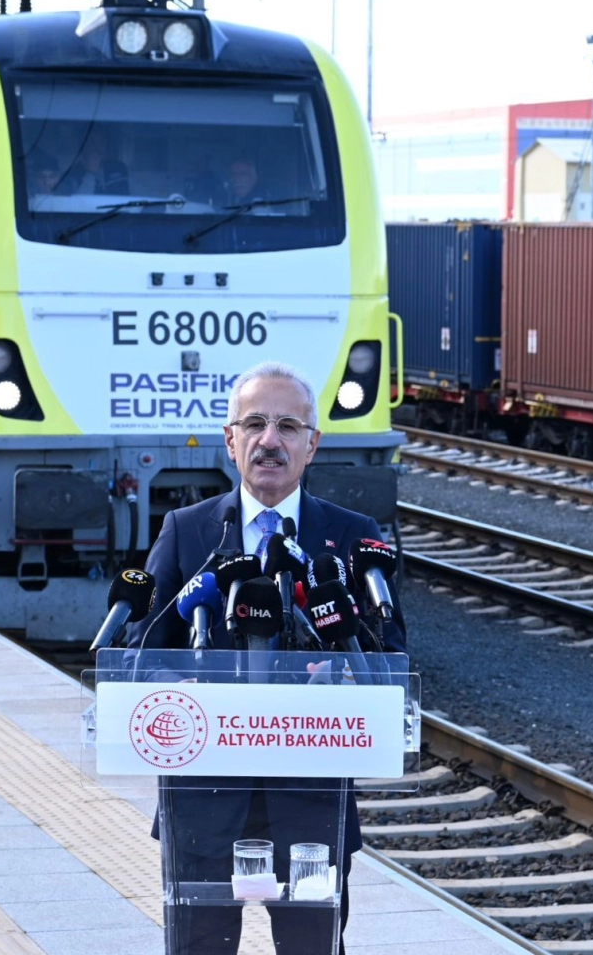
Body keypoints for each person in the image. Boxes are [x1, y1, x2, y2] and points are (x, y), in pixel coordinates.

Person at [131, 361, 408, 954]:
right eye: (254, 424)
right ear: (230, 441)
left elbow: (392, 658)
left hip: (311, 807)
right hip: (204, 801)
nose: (270, 440)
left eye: (288, 426)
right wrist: (194, 688)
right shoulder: (187, 532)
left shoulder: (354, 538)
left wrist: (348, 672)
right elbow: (138, 651)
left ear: (313, 445)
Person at [62, 128, 130, 196]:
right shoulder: (73, 172)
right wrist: (91, 174)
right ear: (83, 146)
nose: (97, 147)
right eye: (92, 142)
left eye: (101, 142)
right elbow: (78, 204)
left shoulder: (118, 168)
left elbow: (122, 198)